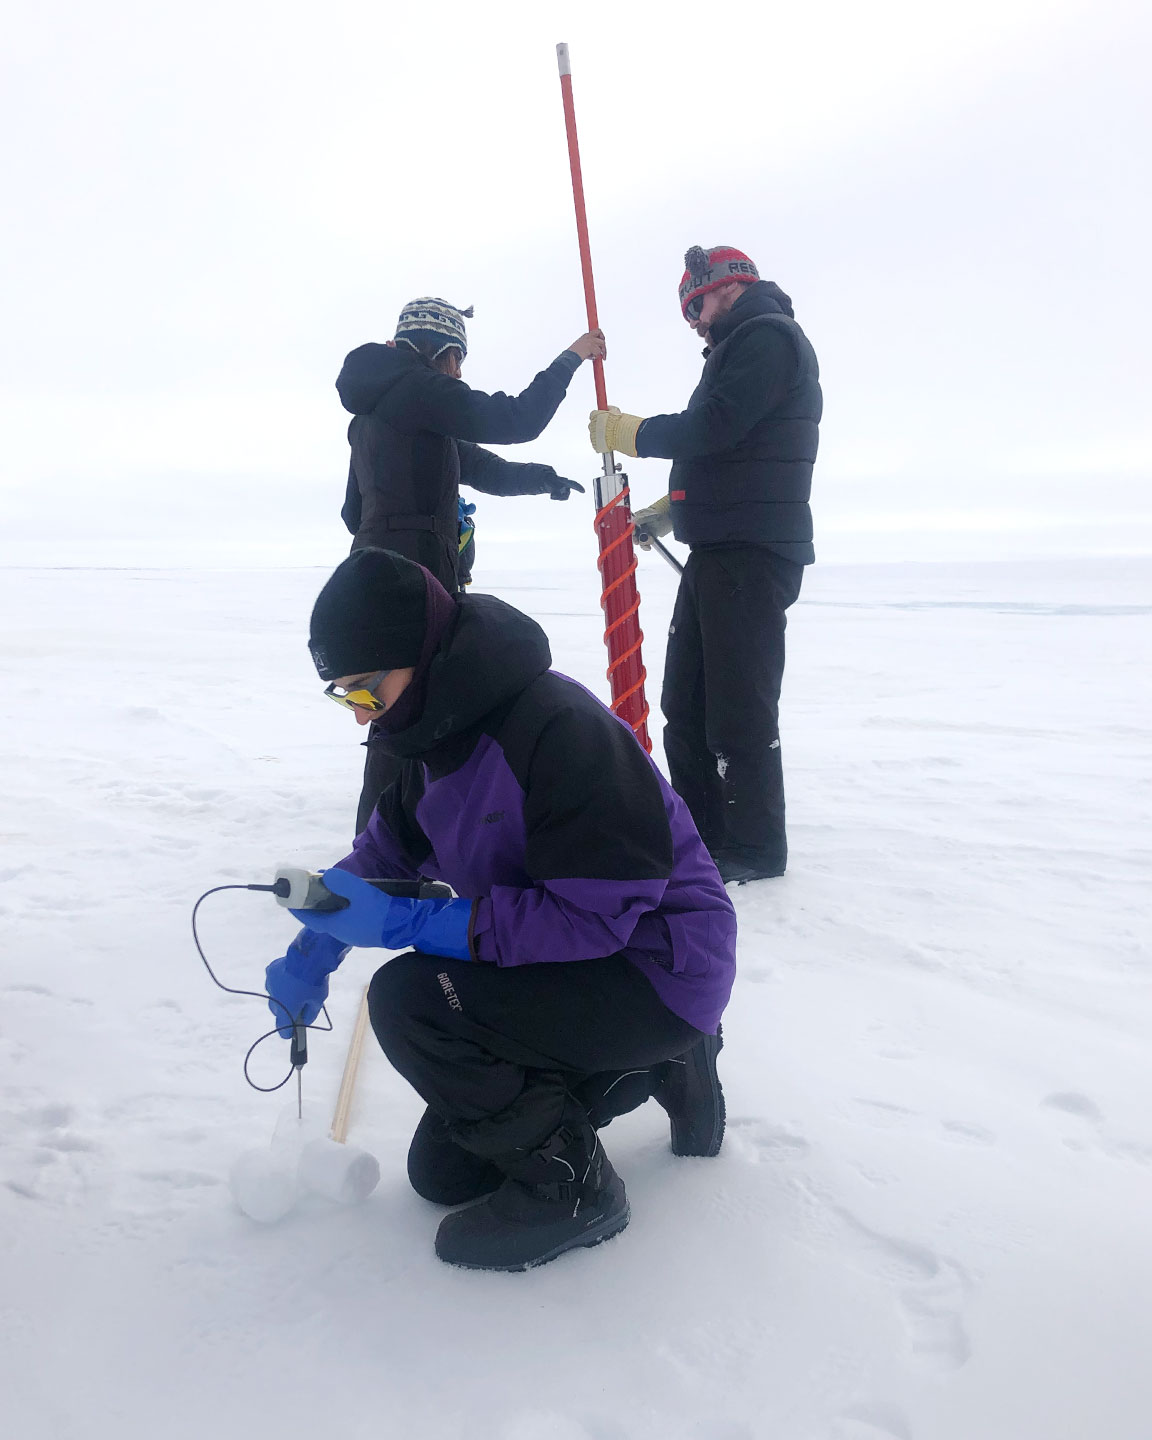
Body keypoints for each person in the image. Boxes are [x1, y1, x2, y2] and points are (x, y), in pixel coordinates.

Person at [265, 547, 737, 1272]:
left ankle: (575, 1191)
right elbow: (384, 854)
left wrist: (412, 924)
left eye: (365, 692)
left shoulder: (558, 729)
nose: (360, 718)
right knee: (446, 1175)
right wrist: (316, 944)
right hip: (573, 969)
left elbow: (591, 918)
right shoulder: (428, 735)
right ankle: (662, 1069)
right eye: (345, 698)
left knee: (413, 998)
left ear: (416, 655)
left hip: (656, 967)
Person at [588, 246, 822, 884]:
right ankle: (698, 833)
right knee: (684, 701)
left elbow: (712, 427)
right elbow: (728, 450)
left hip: (749, 552)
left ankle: (751, 849)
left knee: (736, 705)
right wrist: (669, 510)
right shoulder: (739, 348)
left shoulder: (768, 339)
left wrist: (631, 434)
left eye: (696, 303)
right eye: (687, 308)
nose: (692, 319)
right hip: (718, 548)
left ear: (728, 286)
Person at [337, 296, 599, 833]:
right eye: (460, 360)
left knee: (402, 711)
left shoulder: (383, 407)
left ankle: (398, 843)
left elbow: (470, 467)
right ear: (445, 353)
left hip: (375, 571)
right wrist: (571, 357)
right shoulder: (419, 389)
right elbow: (517, 418)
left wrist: (542, 479)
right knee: (409, 711)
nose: (460, 373)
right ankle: (386, 857)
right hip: (415, 573)